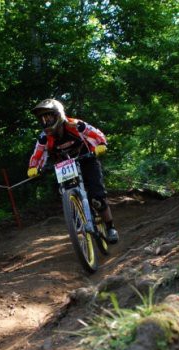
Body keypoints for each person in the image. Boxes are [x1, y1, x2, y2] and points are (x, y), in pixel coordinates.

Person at [27, 98, 118, 243]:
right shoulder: (44, 137)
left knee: (97, 197)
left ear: (58, 115)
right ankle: (76, 214)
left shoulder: (76, 125)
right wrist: (33, 167)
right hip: (65, 165)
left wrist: (101, 144)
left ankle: (110, 227)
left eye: (49, 116)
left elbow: (96, 134)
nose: (46, 121)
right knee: (66, 193)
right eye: (43, 119)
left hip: (87, 159)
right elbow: (38, 154)